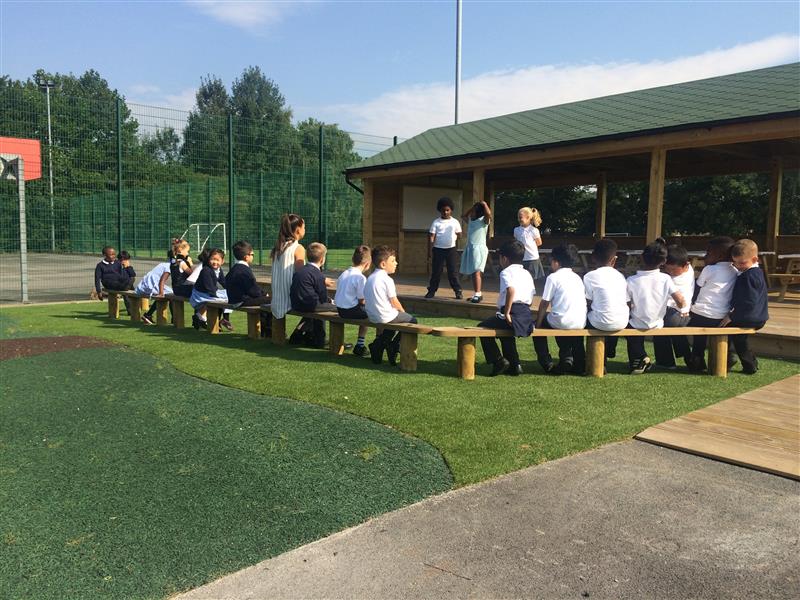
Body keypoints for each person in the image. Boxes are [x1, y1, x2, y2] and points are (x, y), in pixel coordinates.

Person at [626, 242, 686, 374]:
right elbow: (680, 300)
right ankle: (642, 361)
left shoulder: (631, 280)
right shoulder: (666, 279)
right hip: (658, 323)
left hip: (636, 323)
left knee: (630, 331)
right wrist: (682, 309)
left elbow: (627, 304)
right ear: (664, 261)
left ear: (642, 257)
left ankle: (639, 359)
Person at [477, 240, 534, 376]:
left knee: (482, 327)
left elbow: (511, 291)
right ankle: (515, 364)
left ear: (504, 258)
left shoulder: (506, 272)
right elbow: (531, 296)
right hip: (525, 314)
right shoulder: (527, 273)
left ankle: (498, 360)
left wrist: (507, 312)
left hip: (512, 312)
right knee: (505, 332)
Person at [533, 244, 587, 375]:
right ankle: (579, 362)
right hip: (580, 321)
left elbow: (544, 303)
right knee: (571, 328)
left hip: (561, 320)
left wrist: (538, 324)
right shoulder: (577, 277)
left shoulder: (553, 277)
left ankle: (547, 363)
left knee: (543, 324)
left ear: (556, 262)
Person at [687, 236, 737, 372]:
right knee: (728, 332)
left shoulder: (709, 270)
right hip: (722, 317)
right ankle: (728, 356)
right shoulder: (735, 271)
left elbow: (697, 287)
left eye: (708, 253)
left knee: (699, 339)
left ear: (719, 255)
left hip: (701, 314)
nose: (705, 256)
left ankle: (697, 359)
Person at [720, 239, 769, 374]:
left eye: (742, 263)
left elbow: (749, 302)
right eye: (735, 263)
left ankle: (728, 359)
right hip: (758, 316)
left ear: (755, 259)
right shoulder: (756, 273)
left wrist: (731, 315)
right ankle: (749, 364)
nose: (739, 266)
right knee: (740, 339)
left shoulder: (749, 276)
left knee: (725, 328)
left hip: (750, 316)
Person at [364, 245, 417, 366]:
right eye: (393, 261)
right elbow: (394, 302)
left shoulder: (370, 277)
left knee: (392, 323)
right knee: (413, 320)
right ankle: (394, 345)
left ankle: (378, 345)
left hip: (372, 315)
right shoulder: (387, 279)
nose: (396, 263)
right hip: (385, 316)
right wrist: (403, 313)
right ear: (383, 264)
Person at [583, 238, 628, 366]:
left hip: (599, 322)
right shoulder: (620, 276)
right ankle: (609, 350)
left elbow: (587, 302)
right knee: (610, 313)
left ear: (593, 258)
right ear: (614, 260)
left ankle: (595, 360)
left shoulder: (590, 276)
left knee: (587, 317)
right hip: (622, 321)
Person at [653, 244, 695, 369]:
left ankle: (665, 362)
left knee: (658, 328)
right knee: (677, 332)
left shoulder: (668, 279)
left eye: (674, 270)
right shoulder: (689, 270)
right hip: (684, 314)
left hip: (673, 313)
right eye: (668, 269)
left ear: (686, 265)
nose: (671, 272)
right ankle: (689, 358)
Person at [290, 242, 336, 348]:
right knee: (336, 308)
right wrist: (330, 301)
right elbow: (323, 297)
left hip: (296, 304)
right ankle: (320, 340)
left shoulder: (300, 270)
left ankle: (303, 334)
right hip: (309, 305)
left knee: (319, 306)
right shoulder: (317, 274)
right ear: (322, 259)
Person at [227, 240, 271, 337]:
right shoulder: (244, 270)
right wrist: (264, 294)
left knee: (264, 301)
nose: (253, 256)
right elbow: (253, 291)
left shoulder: (234, 268)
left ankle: (266, 330)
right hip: (241, 301)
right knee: (271, 301)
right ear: (246, 257)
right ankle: (269, 331)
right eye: (252, 254)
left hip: (233, 299)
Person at [334, 245, 372, 357]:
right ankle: (360, 345)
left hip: (340, 310)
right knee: (374, 313)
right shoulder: (360, 278)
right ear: (367, 264)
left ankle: (360, 345)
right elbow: (362, 300)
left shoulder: (344, 273)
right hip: (351, 310)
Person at [271, 214, 307, 326]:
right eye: (304, 227)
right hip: (291, 299)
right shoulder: (298, 248)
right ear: (298, 229)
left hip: (277, 299)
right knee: (319, 301)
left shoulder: (277, 248)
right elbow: (302, 275)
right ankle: (313, 336)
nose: (305, 230)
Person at [425, 196, 463, 299]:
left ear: (451, 210)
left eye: (447, 210)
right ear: (440, 210)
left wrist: (455, 235)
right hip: (438, 249)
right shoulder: (436, 222)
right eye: (443, 210)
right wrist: (430, 250)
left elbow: (459, 234)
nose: (445, 212)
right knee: (436, 271)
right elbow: (431, 236)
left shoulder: (455, 222)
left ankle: (458, 291)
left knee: (453, 271)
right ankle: (431, 291)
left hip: (451, 249)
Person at [189, 248, 233, 331]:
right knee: (227, 298)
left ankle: (201, 317)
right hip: (201, 294)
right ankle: (201, 318)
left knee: (231, 295)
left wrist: (230, 289)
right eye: (213, 259)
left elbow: (224, 282)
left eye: (217, 260)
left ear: (222, 261)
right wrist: (216, 295)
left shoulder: (218, 270)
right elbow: (208, 286)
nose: (215, 262)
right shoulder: (206, 270)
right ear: (209, 259)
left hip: (208, 293)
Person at [459, 200, 491, 303]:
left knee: (477, 271)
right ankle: (477, 293)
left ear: (479, 213)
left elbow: (488, 213)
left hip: (479, 249)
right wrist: (473, 208)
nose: (471, 213)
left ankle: (477, 293)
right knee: (474, 273)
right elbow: (463, 216)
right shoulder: (471, 221)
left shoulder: (483, 222)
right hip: (471, 248)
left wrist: (484, 204)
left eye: (473, 212)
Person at [94, 246, 135, 314]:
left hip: (119, 281)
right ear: (105, 255)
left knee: (128, 282)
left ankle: (130, 310)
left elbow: (123, 274)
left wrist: (128, 268)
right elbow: (97, 279)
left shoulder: (117, 263)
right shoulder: (100, 265)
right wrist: (99, 292)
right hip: (108, 283)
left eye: (114, 254)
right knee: (121, 285)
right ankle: (126, 286)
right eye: (111, 254)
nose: (114, 256)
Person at [514, 206, 545, 294]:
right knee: (521, 277)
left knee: (531, 277)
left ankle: (530, 292)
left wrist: (529, 245)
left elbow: (539, 242)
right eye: (518, 217)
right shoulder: (516, 230)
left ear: (528, 218)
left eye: (521, 217)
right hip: (520, 257)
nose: (519, 219)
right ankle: (522, 292)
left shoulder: (533, 230)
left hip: (531, 257)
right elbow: (516, 241)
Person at [136, 252, 173, 325]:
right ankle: (174, 318)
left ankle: (148, 315)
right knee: (172, 295)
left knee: (170, 294)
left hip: (145, 285)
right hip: (151, 284)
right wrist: (161, 293)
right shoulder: (169, 266)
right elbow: (162, 281)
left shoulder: (163, 264)